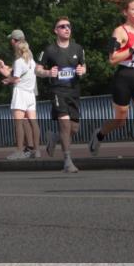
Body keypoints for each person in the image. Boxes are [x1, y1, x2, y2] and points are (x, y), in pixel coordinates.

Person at [90, 0, 134, 156]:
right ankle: (99, 135)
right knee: (120, 120)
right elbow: (112, 59)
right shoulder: (119, 31)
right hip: (123, 79)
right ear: (125, 12)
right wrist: (133, 49)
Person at [36, 17, 86, 173]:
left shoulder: (77, 48)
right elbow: (37, 70)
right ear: (56, 31)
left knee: (74, 128)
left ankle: (55, 138)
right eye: (62, 26)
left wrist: (82, 71)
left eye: (68, 26)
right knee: (64, 124)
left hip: (74, 90)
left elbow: (83, 66)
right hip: (58, 90)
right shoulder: (49, 50)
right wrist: (48, 72)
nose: (66, 28)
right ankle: (67, 161)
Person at [0, 32, 39, 160]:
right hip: (30, 93)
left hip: (22, 93)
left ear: (14, 41)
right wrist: (2, 67)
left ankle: (20, 151)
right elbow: (16, 71)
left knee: (19, 122)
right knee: (30, 122)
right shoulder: (30, 58)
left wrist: (7, 80)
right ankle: (34, 149)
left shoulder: (19, 60)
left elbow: (15, 77)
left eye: (12, 40)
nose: (11, 43)